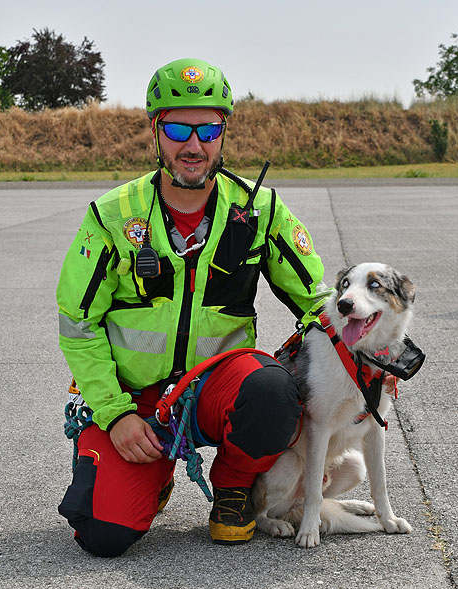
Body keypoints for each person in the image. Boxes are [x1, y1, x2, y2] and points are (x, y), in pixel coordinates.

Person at [57, 58, 331, 557]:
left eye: (208, 129)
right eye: (178, 128)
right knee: (102, 535)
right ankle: (152, 475)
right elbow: (78, 324)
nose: (193, 145)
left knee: (274, 390)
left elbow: (321, 306)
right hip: (133, 399)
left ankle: (233, 487)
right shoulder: (114, 215)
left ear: (224, 131)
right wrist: (115, 415)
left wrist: (365, 363)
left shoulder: (260, 211)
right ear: (156, 130)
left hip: (216, 388)